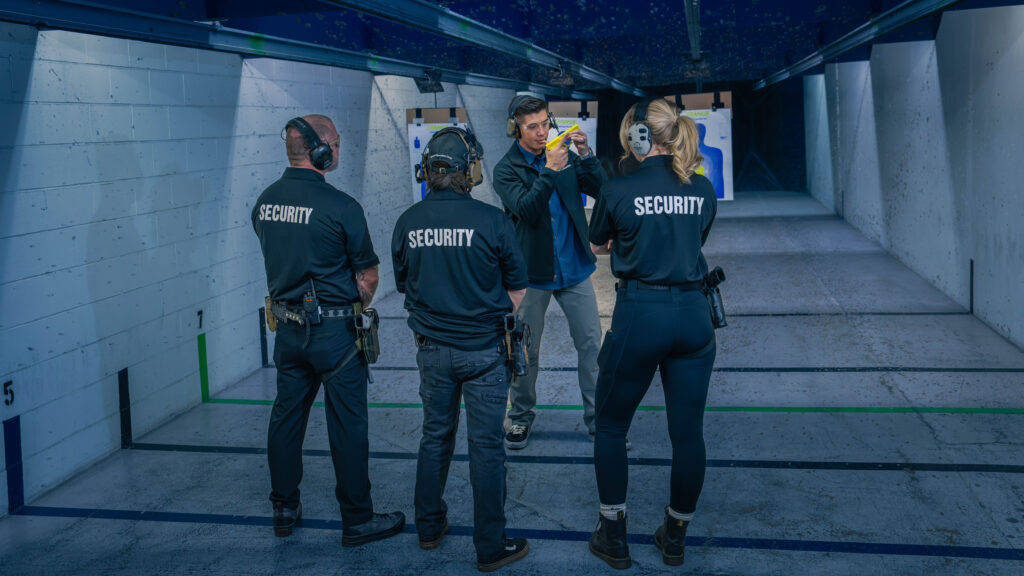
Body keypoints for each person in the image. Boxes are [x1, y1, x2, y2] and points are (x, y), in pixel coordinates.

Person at [252, 114, 404, 546]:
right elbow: (368, 277)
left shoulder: (264, 202)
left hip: (286, 330)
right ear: (321, 150)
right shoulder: (342, 207)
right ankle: (357, 520)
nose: (338, 149)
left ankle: (283, 507)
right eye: (335, 142)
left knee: (285, 418)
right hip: (335, 334)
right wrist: (353, 302)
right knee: (348, 426)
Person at [586, 99, 718, 569]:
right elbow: (691, 240)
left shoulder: (619, 189)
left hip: (641, 312)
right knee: (688, 436)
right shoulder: (702, 189)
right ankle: (676, 536)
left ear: (639, 139)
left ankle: (614, 535)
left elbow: (599, 243)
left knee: (611, 425)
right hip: (693, 314)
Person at [392, 127, 531, 572]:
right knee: (486, 447)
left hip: (432, 352)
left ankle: (429, 529)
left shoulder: (407, 222)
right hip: (485, 353)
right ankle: (490, 547)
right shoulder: (493, 221)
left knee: (435, 436)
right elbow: (518, 286)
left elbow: (403, 284)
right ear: (469, 170)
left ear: (428, 172)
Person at [492, 94, 606, 450]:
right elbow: (526, 209)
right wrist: (550, 169)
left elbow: (600, 190)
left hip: (574, 266)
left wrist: (585, 155)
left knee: (591, 346)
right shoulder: (506, 169)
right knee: (525, 351)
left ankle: (597, 420)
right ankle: (520, 417)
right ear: (516, 130)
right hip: (530, 274)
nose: (542, 132)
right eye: (533, 127)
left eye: (545, 123)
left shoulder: (563, 154)